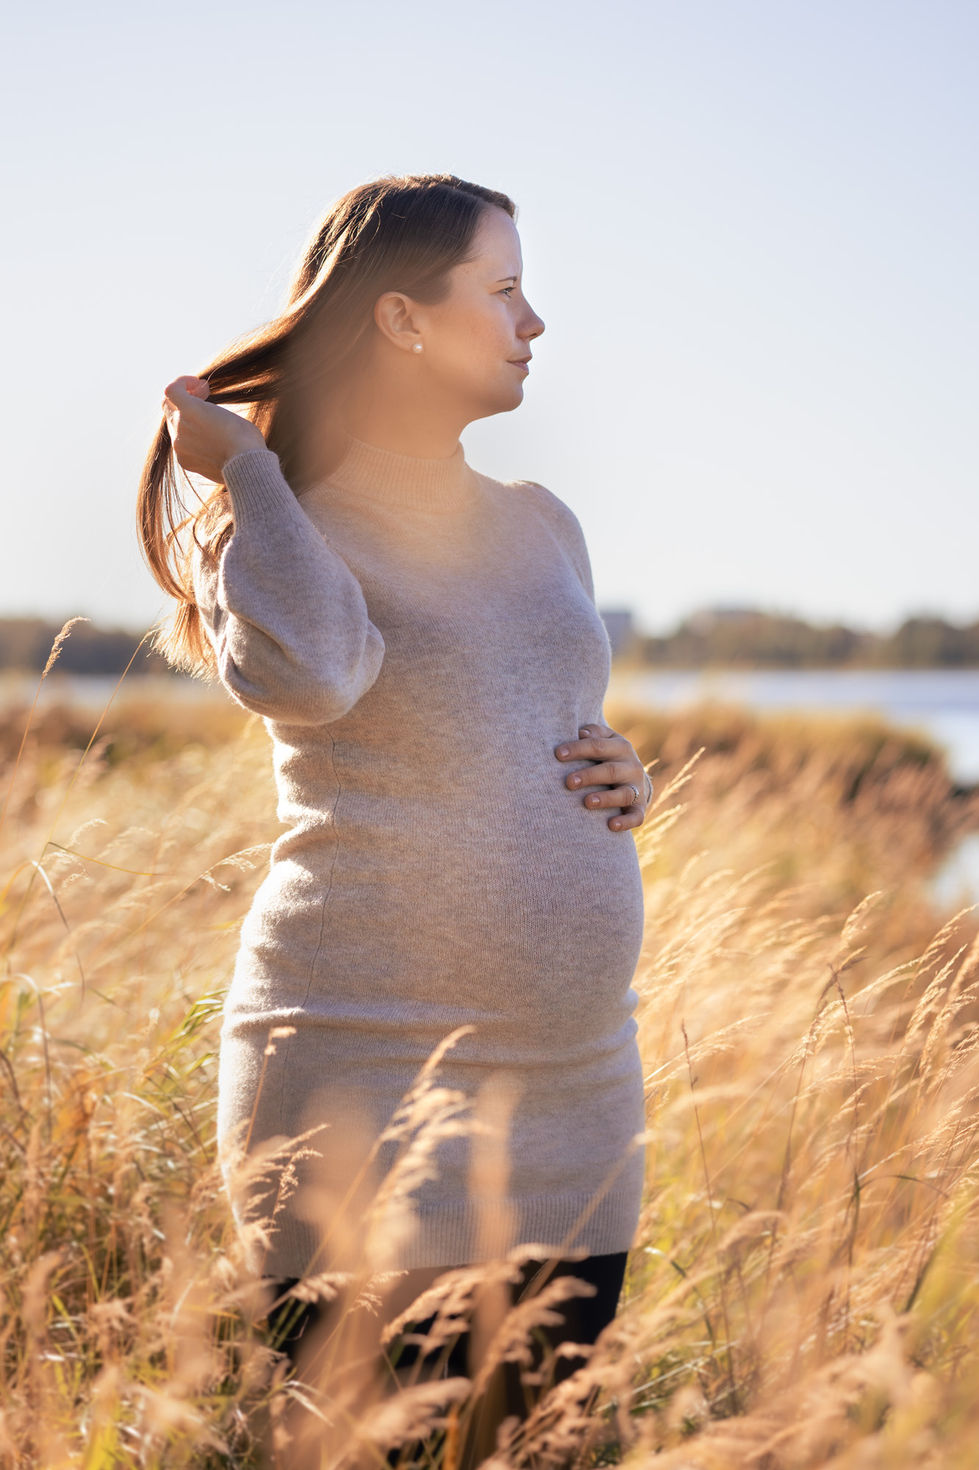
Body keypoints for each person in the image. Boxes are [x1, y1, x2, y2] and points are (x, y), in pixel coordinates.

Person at [137, 172, 653, 1465]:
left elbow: (530, 709)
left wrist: (620, 774)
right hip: (367, 1088)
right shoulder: (277, 522)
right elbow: (313, 676)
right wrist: (250, 472)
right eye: (504, 290)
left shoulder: (546, 527)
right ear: (405, 321)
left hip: (576, 1108)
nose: (534, 322)